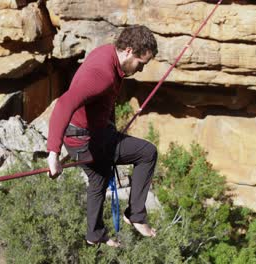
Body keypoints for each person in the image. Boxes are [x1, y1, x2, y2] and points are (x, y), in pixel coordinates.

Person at [47, 25, 158, 247]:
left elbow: (103, 101)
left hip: (85, 134)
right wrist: (53, 154)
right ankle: (136, 215)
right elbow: (64, 104)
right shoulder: (102, 75)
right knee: (147, 153)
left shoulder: (109, 54)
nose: (141, 70)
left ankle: (94, 234)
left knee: (99, 177)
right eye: (141, 63)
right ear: (128, 51)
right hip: (85, 140)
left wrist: (111, 125)